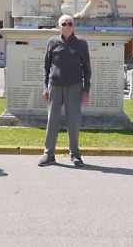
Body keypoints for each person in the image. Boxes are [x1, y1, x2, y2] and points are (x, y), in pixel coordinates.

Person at [38, 14, 92, 167]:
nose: (67, 26)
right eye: (64, 24)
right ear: (59, 26)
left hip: (75, 87)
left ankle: (75, 155)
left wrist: (86, 89)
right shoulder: (52, 42)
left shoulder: (81, 44)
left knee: (73, 122)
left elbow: (87, 69)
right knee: (52, 121)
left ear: (73, 26)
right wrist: (45, 86)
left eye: (70, 24)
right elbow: (46, 67)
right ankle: (49, 154)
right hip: (55, 87)